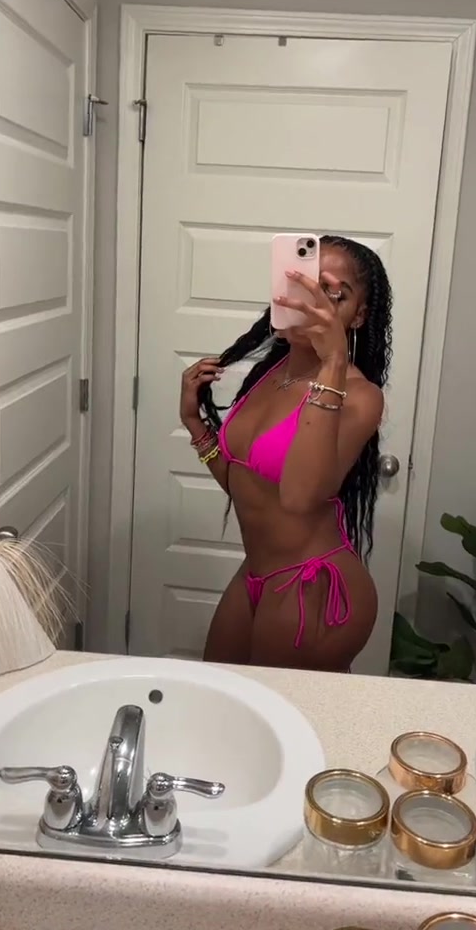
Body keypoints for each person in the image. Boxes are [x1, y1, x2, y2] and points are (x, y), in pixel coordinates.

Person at [179, 236, 393, 672]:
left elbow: (298, 497)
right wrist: (195, 425)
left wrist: (333, 363)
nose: (312, 303)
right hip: (255, 574)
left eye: (333, 295)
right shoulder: (270, 374)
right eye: (304, 285)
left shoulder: (360, 397)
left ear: (358, 315)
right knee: (217, 692)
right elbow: (243, 484)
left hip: (313, 586)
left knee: (286, 712)